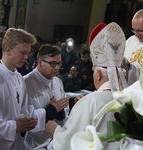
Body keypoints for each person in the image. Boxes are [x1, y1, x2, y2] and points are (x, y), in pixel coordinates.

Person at [34, 22, 128, 150]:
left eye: (94, 71)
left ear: (99, 74)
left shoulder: (92, 101)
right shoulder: (128, 99)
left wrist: (55, 130)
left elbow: (69, 142)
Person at [0, 28, 47, 150]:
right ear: (8, 50)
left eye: (28, 53)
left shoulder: (19, 78)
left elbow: (25, 108)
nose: (26, 57)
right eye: (23, 53)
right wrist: (14, 127)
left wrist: (27, 120)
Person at [23, 44, 69, 149]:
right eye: (53, 63)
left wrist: (61, 112)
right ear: (40, 62)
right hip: (33, 144)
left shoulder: (57, 81)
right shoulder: (26, 83)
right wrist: (50, 111)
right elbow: (23, 116)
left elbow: (65, 108)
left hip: (54, 142)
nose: (57, 68)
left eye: (59, 63)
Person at [123, 9, 143, 85]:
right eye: (134, 30)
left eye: (139, 30)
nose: (136, 34)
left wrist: (129, 66)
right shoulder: (131, 40)